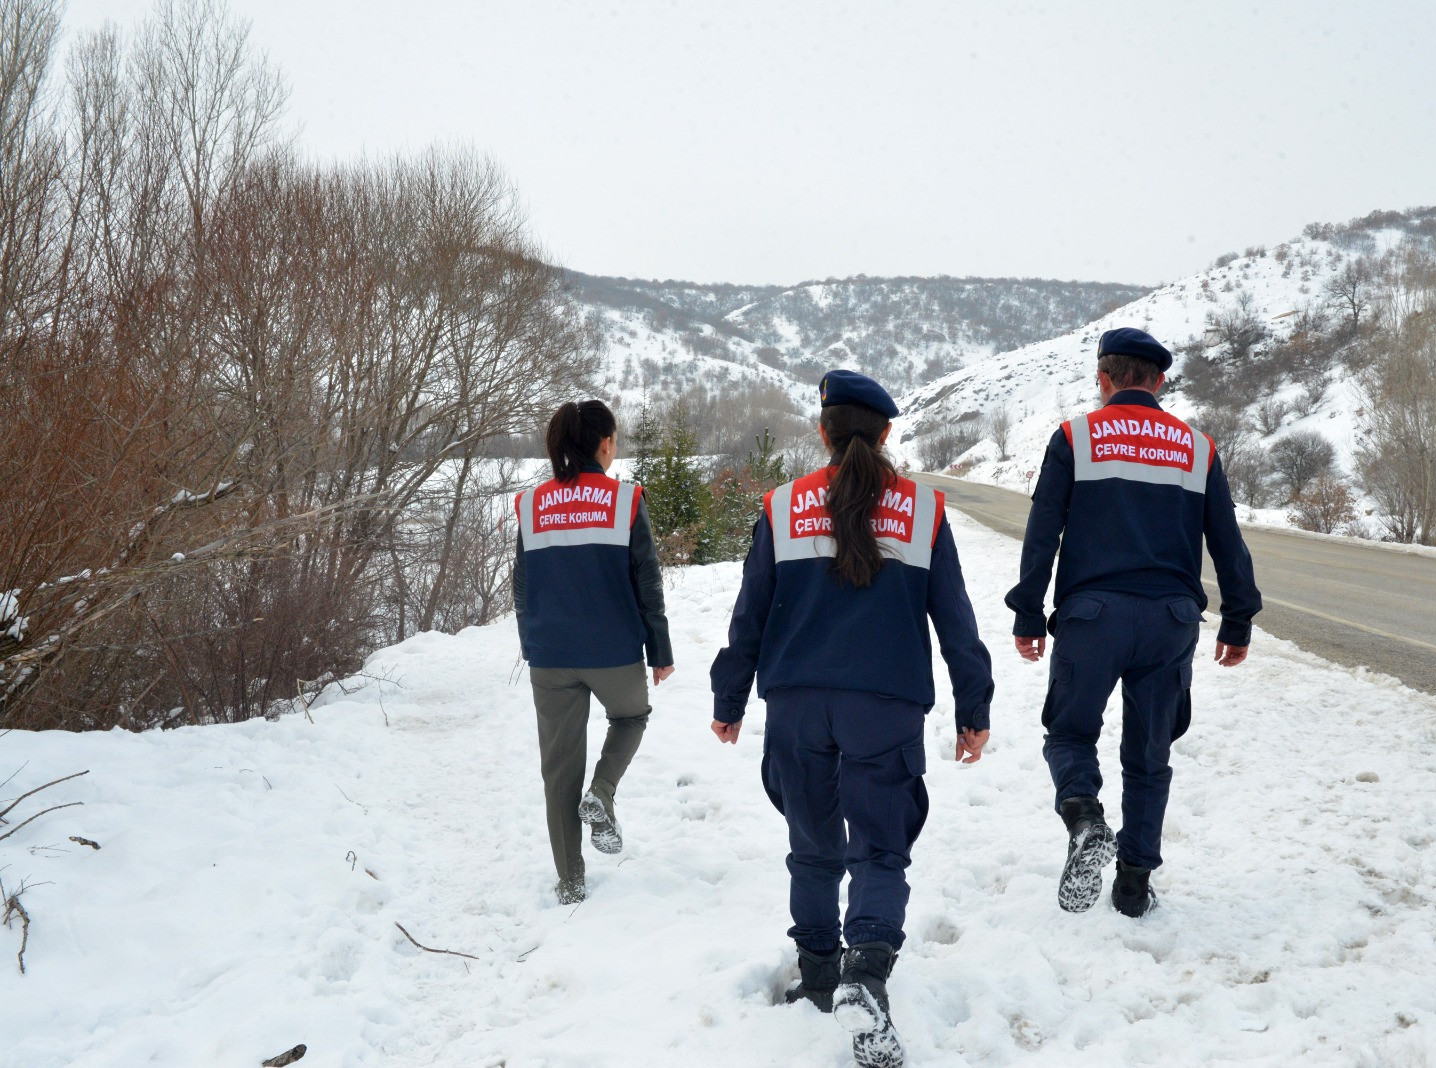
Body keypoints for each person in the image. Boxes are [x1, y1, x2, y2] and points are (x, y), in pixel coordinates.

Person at [710, 370, 994, 1068]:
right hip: (885, 705)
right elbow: (955, 621)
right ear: (888, 433)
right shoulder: (923, 511)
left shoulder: (782, 506)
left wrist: (730, 698)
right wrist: (973, 708)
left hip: (799, 704)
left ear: (823, 431)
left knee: (813, 845)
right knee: (879, 846)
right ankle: (864, 975)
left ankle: (817, 979)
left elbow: (749, 615)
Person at [1006, 328, 1261, 919]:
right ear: (1159, 380)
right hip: (1170, 619)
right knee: (1149, 754)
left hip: (1092, 617)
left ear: (1104, 378)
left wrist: (1028, 612)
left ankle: (1085, 818)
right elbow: (1227, 541)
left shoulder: (1075, 437)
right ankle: (1133, 885)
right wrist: (1238, 620)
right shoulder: (1198, 449)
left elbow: (1043, 531)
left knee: (1070, 734)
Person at [513, 400, 674, 905]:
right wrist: (660, 650)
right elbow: (646, 580)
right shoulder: (624, 501)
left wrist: (531, 643)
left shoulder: (532, 504)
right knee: (631, 718)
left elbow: (522, 585)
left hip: (551, 656)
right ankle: (602, 793)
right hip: (614, 652)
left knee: (559, 769)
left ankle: (570, 882)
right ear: (604, 443)